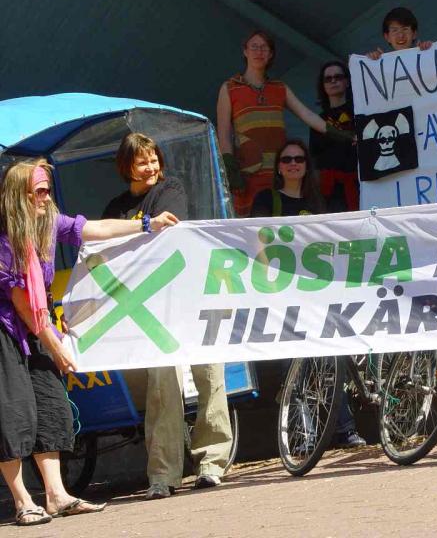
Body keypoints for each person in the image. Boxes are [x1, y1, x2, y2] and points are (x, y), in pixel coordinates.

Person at [0, 160, 177, 525]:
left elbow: (93, 228)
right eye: (40, 191)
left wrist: (147, 223)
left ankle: (56, 495)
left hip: (37, 325)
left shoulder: (47, 224)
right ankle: (22, 502)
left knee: (52, 408)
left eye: (49, 190)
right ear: (20, 195)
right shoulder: (6, 238)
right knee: (13, 415)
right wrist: (54, 344)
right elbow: (22, 303)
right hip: (8, 330)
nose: (47, 198)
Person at [102, 133, 233, 499]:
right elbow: (106, 242)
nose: (152, 167)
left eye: (154, 159)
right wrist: (142, 228)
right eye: (143, 161)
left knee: (210, 374)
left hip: (190, 295)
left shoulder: (171, 188)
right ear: (126, 167)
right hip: (150, 310)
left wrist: (134, 233)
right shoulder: (115, 206)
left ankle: (211, 462)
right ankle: (163, 474)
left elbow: (167, 230)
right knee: (162, 388)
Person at [250, 141, 366, 448]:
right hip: (281, 293)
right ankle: (302, 438)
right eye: (286, 159)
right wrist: (270, 284)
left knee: (331, 358)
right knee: (293, 367)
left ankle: (344, 430)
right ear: (278, 166)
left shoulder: (319, 201)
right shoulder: (267, 199)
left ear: (306, 165)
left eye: (299, 159)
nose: (292, 163)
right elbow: (258, 240)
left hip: (316, 292)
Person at [216, 29, 351, 217]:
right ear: (245, 51)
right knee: (251, 226)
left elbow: (307, 115)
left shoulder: (280, 88)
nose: (259, 51)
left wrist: (344, 135)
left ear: (270, 54)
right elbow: (223, 133)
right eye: (254, 47)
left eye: (264, 48)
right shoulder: (229, 88)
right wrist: (230, 169)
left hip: (280, 173)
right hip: (248, 174)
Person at [309, 61, 359, 213]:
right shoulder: (317, 120)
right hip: (329, 191)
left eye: (338, 77)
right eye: (328, 79)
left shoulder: (361, 111)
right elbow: (314, 160)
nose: (333, 81)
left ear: (347, 81)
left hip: (361, 185)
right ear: (322, 86)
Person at [366, 7, 433, 60]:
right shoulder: (382, 64)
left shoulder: (426, 54)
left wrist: (430, 50)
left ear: (414, 34)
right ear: (387, 37)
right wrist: (374, 62)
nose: (401, 35)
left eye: (405, 29)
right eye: (395, 30)